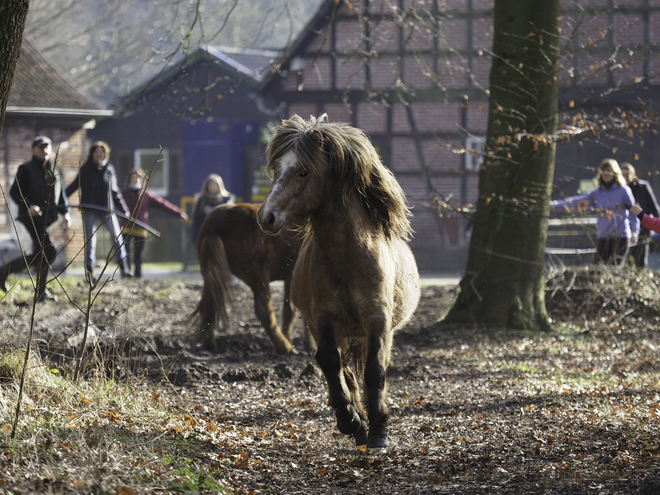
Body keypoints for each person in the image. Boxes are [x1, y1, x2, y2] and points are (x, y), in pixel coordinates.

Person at [0, 136, 71, 300]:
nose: (45, 150)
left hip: (46, 218)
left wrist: (66, 213)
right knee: (49, 250)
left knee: (42, 253)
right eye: (41, 147)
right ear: (33, 150)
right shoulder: (26, 169)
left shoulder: (54, 169)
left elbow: (61, 196)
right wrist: (28, 206)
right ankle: (38, 291)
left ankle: (8, 274)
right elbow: (15, 192)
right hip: (31, 218)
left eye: (47, 147)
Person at [550, 158, 639, 266]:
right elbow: (576, 202)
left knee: (615, 268)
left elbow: (633, 212)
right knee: (597, 268)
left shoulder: (624, 190)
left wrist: (635, 231)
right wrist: (552, 205)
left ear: (615, 172)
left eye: (609, 170)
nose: (606, 173)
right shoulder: (597, 193)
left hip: (621, 236)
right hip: (603, 236)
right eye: (603, 170)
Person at [65, 141, 131, 282]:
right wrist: (61, 199)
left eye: (102, 152)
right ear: (92, 154)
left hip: (107, 208)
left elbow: (114, 191)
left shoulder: (109, 169)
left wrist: (123, 209)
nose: (99, 155)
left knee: (116, 237)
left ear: (105, 154)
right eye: (97, 152)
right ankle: (90, 272)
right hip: (90, 208)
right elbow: (74, 186)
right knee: (91, 240)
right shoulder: (86, 169)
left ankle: (124, 268)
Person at [120, 169, 189, 277]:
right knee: (125, 252)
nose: (135, 179)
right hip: (126, 227)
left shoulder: (146, 194)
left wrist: (178, 213)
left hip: (141, 227)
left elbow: (163, 204)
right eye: (133, 177)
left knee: (138, 255)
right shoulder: (123, 193)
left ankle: (138, 276)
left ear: (141, 179)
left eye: (137, 177)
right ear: (129, 179)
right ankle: (126, 273)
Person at [620, 162, 660, 268]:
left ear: (633, 175)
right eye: (622, 175)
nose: (626, 177)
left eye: (627, 174)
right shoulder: (619, 190)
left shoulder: (643, 187)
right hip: (624, 229)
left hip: (643, 228)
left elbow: (655, 209)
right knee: (625, 258)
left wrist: (653, 231)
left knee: (640, 258)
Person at [191, 174, 235, 243]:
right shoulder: (202, 200)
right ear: (206, 186)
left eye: (215, 185)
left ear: (219, 186)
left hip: (223, 235)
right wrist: (196, 237)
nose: (212, 187)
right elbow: (196, 220)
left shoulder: (226, 199)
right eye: (210, 185)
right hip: (206, 235)